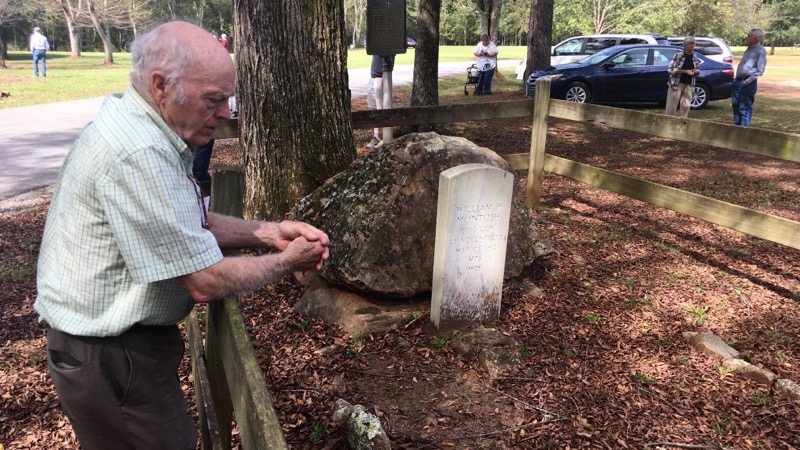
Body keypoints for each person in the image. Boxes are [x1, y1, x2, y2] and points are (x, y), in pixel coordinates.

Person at [34, 21, 330, 450]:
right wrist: (289, 260)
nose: (227, 112)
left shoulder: (142, 125)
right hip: (111, 357)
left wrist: (270, 233)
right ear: (160, 85)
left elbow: (189, 221)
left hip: (115, 352)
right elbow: (204, 281)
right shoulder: (140, 152)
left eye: (228, 99)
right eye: (214, 99)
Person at [732, 28, 767, 127]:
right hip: (738, 81)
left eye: (749, 36)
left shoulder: (760, 50)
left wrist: (748, 81)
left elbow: (760, 69)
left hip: (747, 83)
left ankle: (744, 133)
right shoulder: (748, 49)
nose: (747, 38)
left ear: (755, 38)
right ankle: (736, 130)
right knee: (736, 106)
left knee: (744, 108)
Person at [665, 36, 701, 118]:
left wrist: (696, 71)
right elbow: (670, 70)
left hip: (688, 84)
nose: (692, 45)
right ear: (685, 45)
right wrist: (685, 71)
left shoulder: (695, 56)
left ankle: (682, 124)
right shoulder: (678, 56)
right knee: (671, 107)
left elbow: (698, 69)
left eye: (694, 43)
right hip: (676, 84)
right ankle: (668, 124)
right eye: (690, 43)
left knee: (686, 106)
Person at [366, 54, 387, 148]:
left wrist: (384, 78)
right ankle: (376, 136)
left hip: (380, 77)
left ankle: (385, 138)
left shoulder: (387, 43)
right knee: (373, 108)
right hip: (373, 76)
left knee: (381, 109)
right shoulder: (376, 43)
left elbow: (390, 60)